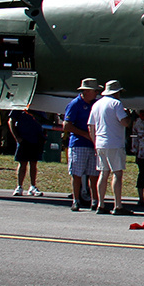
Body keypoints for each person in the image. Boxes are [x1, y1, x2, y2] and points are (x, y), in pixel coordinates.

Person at [89, 80, 130, 214]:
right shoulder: (116, 104)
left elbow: (91, 126)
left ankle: (101, 204)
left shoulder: (96, 104)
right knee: (117, 173)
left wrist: (95, 142)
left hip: (100, 142)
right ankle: (117, 205)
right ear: (116, 92)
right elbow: (124, 122)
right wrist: (130, 116)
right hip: (114, 142)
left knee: (103, 173)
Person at [64, 78, 102, 212]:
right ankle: (76, 200)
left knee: (94, 174)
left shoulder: (96, 104)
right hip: (78, 143)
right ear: (86, 91)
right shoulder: (75, 104)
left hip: (92, 144)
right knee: (77, 174)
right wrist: (84, 134)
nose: (96, 93)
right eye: (94, 90)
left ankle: (94, 200)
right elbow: (67, 125)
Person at [9, 107, 45, 197]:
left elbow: (44, 121)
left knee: (33, 163)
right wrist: (17, 137)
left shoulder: (40, 106)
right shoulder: (21, 106)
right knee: (22, 163)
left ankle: (33, 186)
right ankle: (19, 186)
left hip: (36, 139)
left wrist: (43, 136)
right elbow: (11, 121)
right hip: (24, 139)